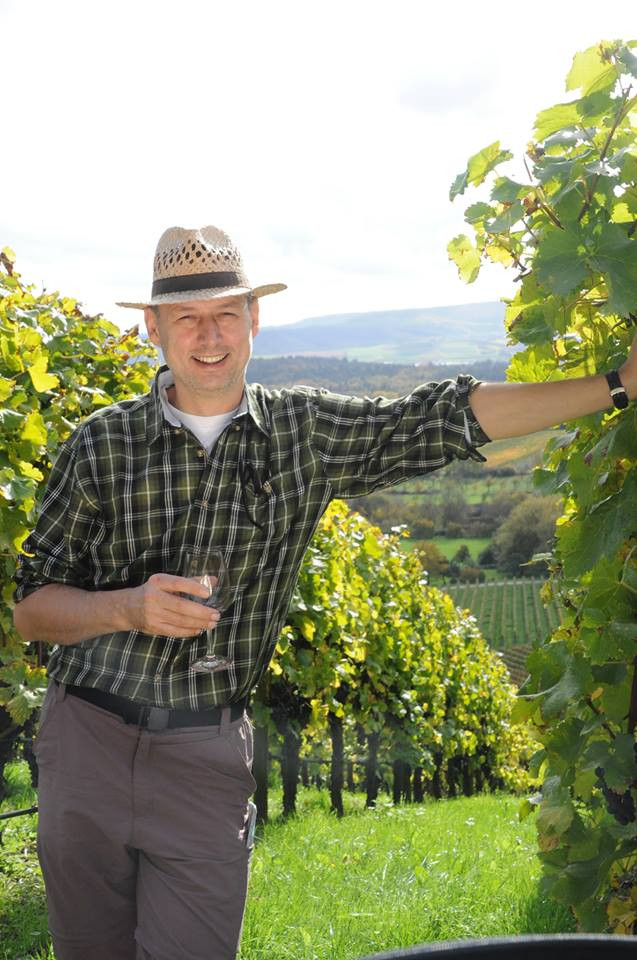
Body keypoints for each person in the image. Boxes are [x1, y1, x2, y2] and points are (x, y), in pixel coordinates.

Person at [13, 224, 637, 960]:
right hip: (86, 741)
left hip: (205, 753)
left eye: (226, 314)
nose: (209, 336)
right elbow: (31, 610)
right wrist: (125, 606)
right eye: (187, 317)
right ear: (153, 327)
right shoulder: (100, 443)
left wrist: (618, 385)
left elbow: (444, 419)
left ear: (254, 318)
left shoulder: (302, 432)